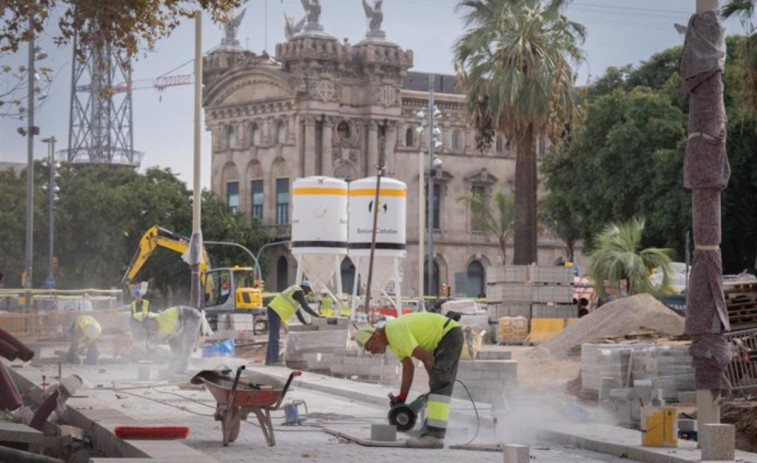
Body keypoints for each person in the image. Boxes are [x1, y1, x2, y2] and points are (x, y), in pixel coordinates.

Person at [355, 312, 463, 449]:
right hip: (444, 337)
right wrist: (402, 398)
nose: (372, 352)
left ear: (374, 337)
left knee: (440, 385)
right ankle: (430, 432)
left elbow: (428, 359)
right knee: (438, 387)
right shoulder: (393, 339)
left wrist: (436, 386)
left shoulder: (394, 332)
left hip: (449, 335)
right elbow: (408, 367)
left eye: (369, 348)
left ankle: (434, 437)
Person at [265, 280, 320, 365]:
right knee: (275, 337)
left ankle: (269, 361)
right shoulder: (298, 292)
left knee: (273, 336)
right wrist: (317, 316)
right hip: (275, 311)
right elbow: (305, 307)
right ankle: (274, 361)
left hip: (275, 311)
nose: (307, 293)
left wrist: (305, 323)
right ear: (304, 288)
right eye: (307, 291)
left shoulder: (295, 294)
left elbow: (298, 313)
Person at [133, 306, 202, 373]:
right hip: (182, 318)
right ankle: (175, 366)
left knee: (187, 342)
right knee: (174, 343)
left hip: (192, 315)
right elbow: (173, 337)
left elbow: (176, 333)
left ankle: (183, 368)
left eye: (152, 329)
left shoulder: (163, 321)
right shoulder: (158, 321)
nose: (153, 330)